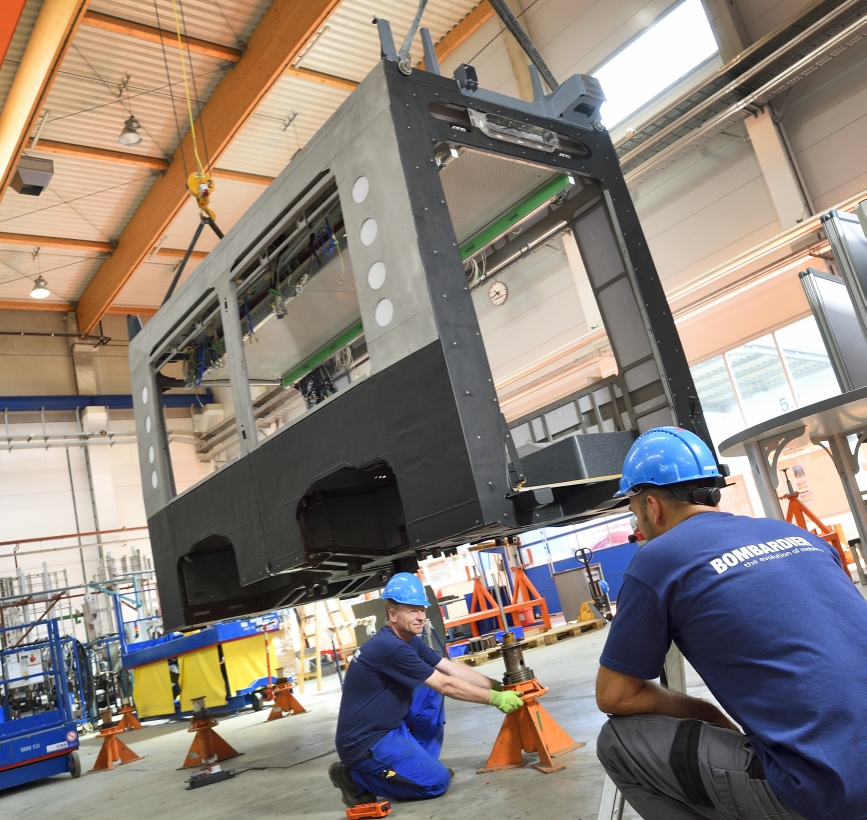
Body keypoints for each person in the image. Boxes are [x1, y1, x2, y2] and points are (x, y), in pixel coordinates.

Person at [595, 426, 867, 820]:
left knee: (618, 742)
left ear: (652, 506)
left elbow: (615, 696)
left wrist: (705, 714)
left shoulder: (657, 561)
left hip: (828, 794)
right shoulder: (795, 534)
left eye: (635, 509)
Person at [329, 572, 524, 807]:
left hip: (388, 726)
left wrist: (494, 684)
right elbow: (446, 684)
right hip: (366, 743)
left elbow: (448, 668)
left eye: (422, 610)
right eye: (412, 611)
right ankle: (354, 778)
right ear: (392, 615)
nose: (421, 617)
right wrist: (495, 698)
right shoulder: (389, 647)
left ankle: (418, 766)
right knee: (436, 783)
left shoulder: (409, 640)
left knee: (429, 691)